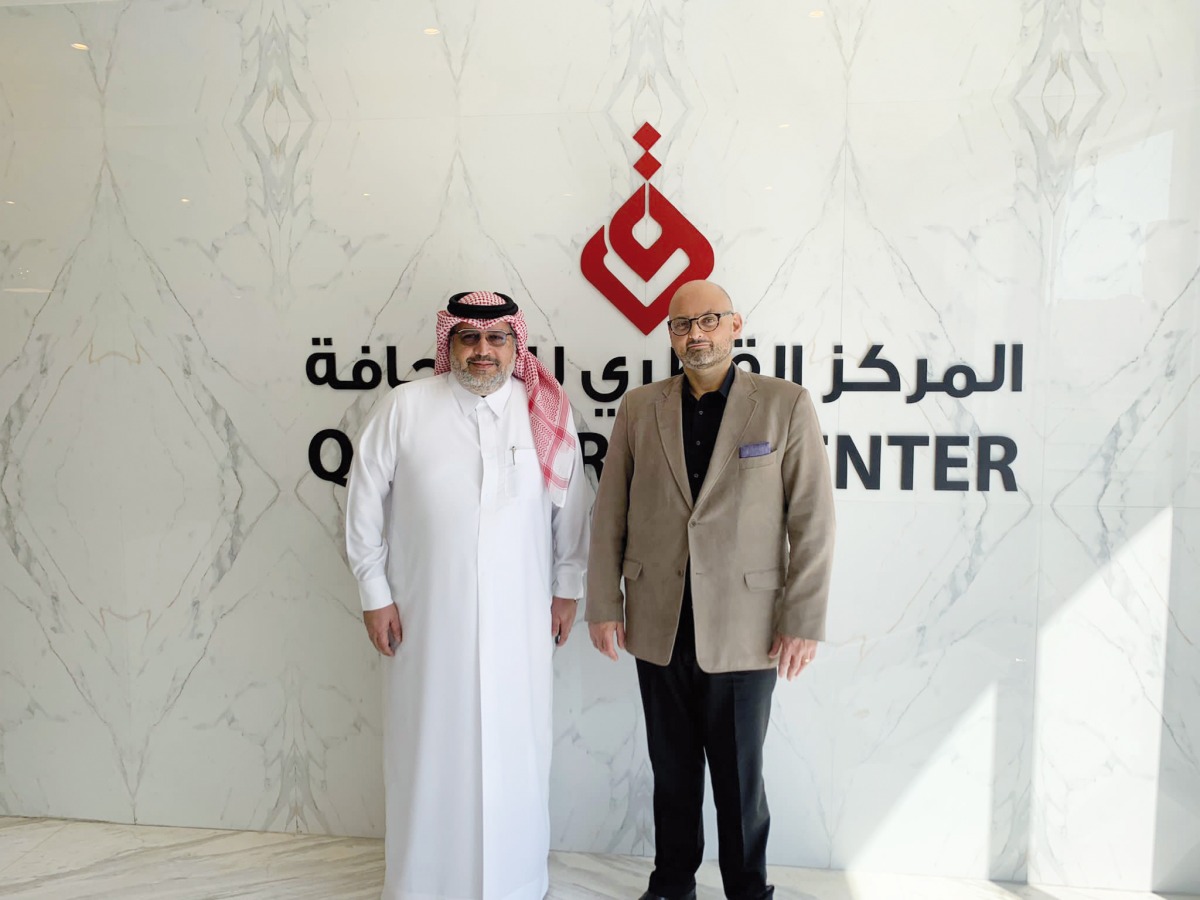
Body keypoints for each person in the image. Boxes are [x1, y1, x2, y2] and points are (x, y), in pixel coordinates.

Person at [585, 280, 836, 900]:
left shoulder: (784, 403)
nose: (695, 335)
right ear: (669, 335)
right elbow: (609, 509)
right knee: (671, 774)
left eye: (708, 321)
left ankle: (748, 889)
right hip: (658, 619)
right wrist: (602, 603)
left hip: (747, 627)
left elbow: (812, 518)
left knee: (738, 778)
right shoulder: (640, 407)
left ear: (735, 324)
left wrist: (803, 618)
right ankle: (671, 884)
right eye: (680, 326)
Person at [345, 290, 590, 900]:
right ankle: (423, 884)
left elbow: (573, 511)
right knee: (427, 747)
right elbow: (363, 502)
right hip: (427, 622)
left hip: (521, 620)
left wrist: (566, 589)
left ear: (516, 344)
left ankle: (516, 882)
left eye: (496, 338)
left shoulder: (544, 409)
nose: (483, 351)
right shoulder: (406, 407)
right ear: (448, 343)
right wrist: (375, 592)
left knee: (518, 749)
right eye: (469, 338)